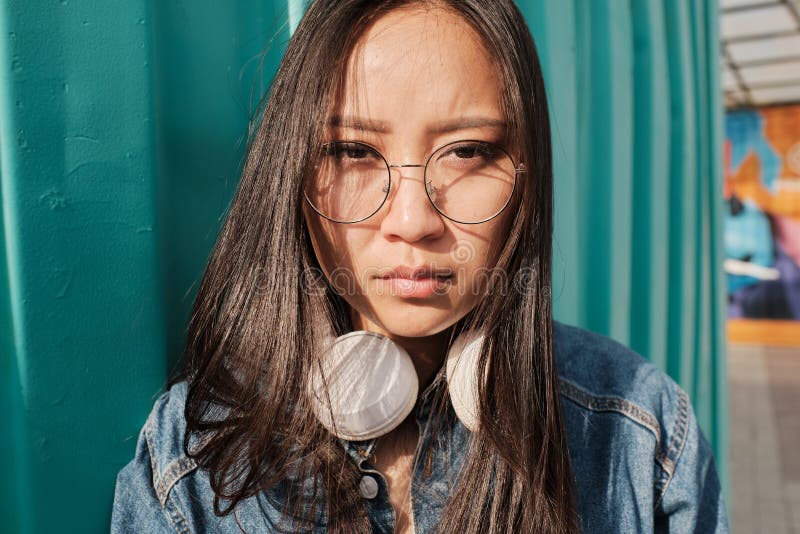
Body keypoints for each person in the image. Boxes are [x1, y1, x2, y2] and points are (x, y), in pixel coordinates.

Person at [111, 1, 729, 532]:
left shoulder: (638, 435)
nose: (412, 220)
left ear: (528, 175)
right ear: (291, 172)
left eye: (467, 152)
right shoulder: (195, 457)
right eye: (353, 151)